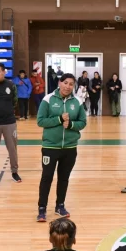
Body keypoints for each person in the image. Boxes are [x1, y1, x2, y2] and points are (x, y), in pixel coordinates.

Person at [36, 73, 87, 222]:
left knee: (64, 178)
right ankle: (42, 208)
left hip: (70, 147)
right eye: (65, 83)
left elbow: (83, 122)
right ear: (59, 83)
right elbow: (40, 121)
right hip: (50, 146)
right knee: (47, 177)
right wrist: (59, 119)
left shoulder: (77, 101)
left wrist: (71, 124)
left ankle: (60, 205)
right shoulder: (48, 99)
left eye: (71, 84)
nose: (67, 86)